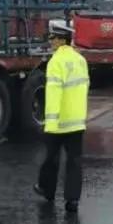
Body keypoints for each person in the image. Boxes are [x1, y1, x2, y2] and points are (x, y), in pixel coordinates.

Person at [34, 21, 89, 213]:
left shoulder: (55, 62)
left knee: (51, 158)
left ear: (62, 40)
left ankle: (46, 190)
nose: (51, 42)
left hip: (58, 122)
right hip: (77, 122)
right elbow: (84, 88)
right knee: (74, 161)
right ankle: (72, 200)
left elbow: (54, 93)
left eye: (54, 39)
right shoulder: (80, 60)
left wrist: (50, 121)